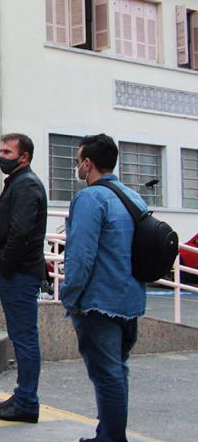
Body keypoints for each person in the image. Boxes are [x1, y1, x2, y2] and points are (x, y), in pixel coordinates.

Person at [63, 134, 147, 442]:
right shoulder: (132, 196)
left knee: (107, 374)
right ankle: (109, 433)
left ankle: (111, 438)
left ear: (88, 163)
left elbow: (80, 256)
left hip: (99, 303)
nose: (77, 168)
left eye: (77, 162)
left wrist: (69, 297)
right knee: (117, 371)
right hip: (130, 300)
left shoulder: (90, 198)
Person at [0, 133, 47, 424]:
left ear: (24, 157)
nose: (2, 156)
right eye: (0, 150)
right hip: (17, 272)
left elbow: (20, 233)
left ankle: (26, 402)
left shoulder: (26, 185)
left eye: (7, 151)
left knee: (24, 339)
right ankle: (23, 395)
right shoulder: (19, 183)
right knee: (22, 337)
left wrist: (5, 267)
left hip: (20, 274)